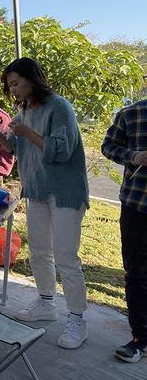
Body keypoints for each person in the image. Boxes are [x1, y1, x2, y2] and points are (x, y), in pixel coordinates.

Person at [0, 57, 89, 349]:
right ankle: (45, 303)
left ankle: (77, 318)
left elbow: (63, 149)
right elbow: (17, 148)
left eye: (15, 83)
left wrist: (27, 131)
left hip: (65, 191)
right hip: (37, 190)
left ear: (32, 79)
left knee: (66, 255)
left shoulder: (59, 106)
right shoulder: (24, 109)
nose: (12, 90)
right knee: (40, 251)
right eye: (9, 86)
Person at [101, 99, 147, 362]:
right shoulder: (132, 114)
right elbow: (108, 146)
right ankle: (140, 338)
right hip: (136, 205)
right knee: (136, 272)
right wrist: (133, 156)